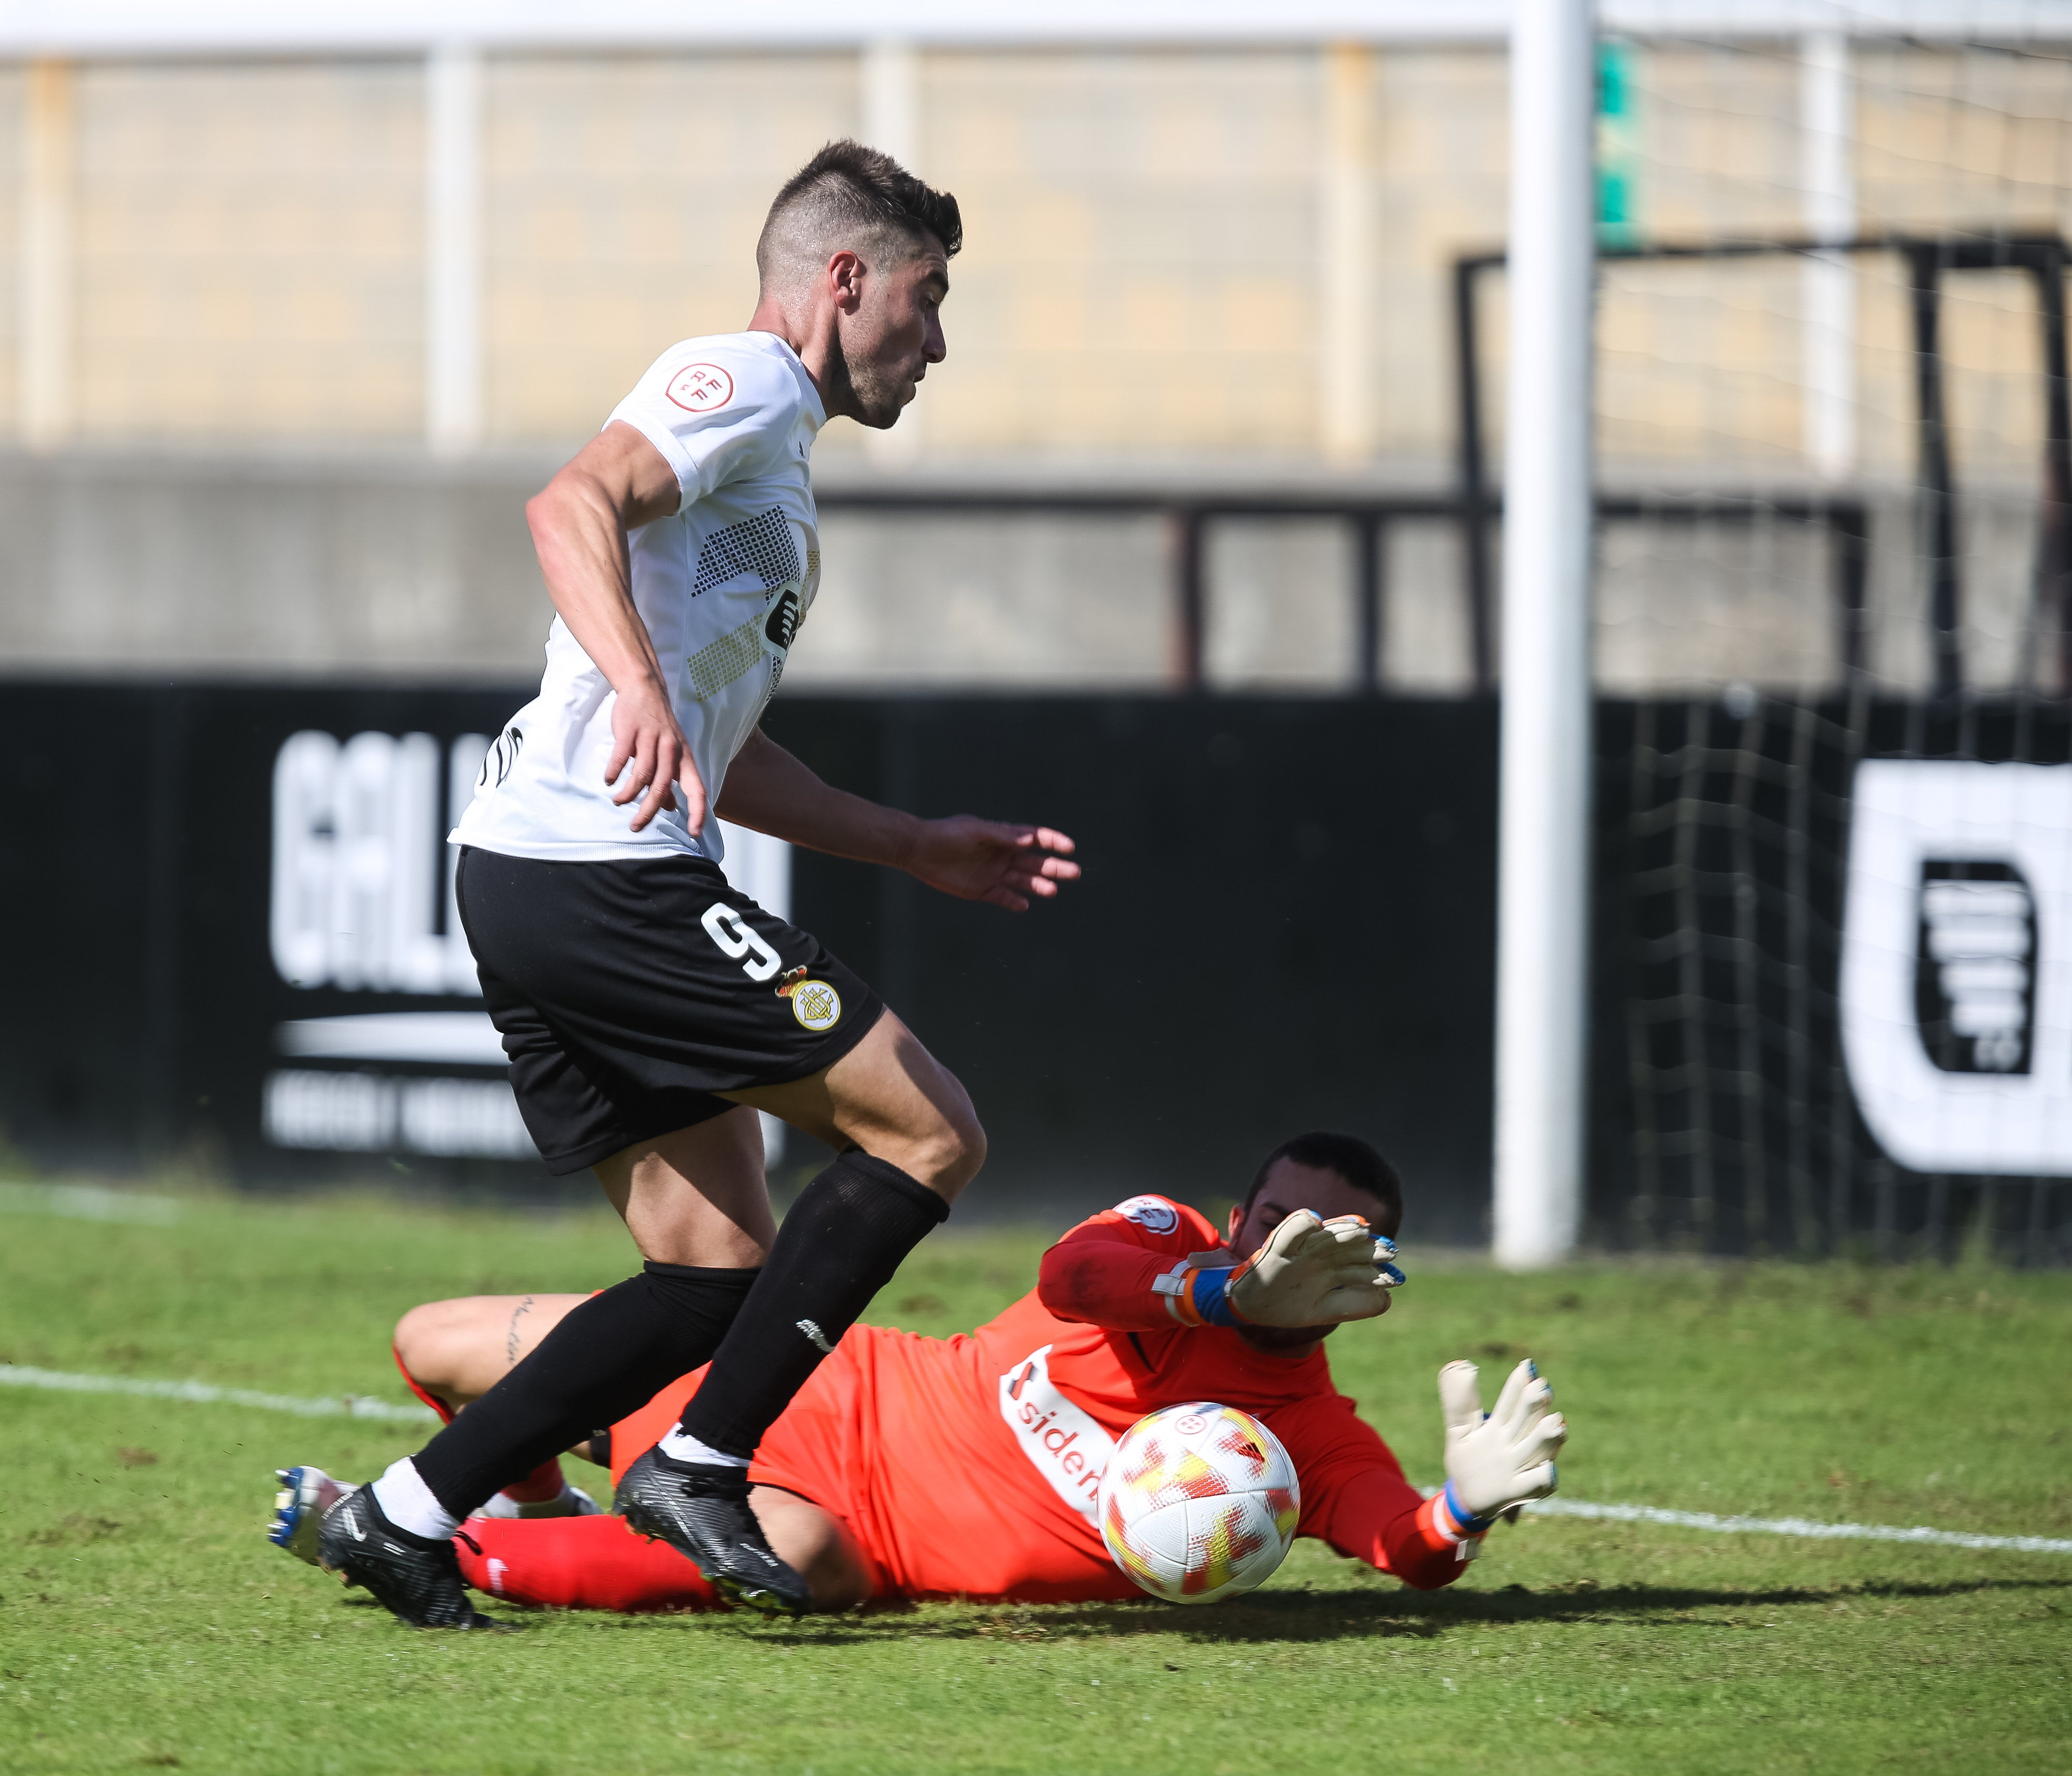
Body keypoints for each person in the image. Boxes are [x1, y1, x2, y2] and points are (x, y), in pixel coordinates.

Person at [310, 140, 1090, 1629]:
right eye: (925, 302)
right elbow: (565, 506)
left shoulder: (774, 456)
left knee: (716, 1265)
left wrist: (913, 841)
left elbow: (722, 751)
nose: (937, 342)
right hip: (597, 876)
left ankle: (406, 1516)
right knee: (933, 1133)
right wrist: (636, 687)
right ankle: (701, 1462)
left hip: (537, 877)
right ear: (843, 281)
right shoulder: (737, 383)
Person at [277, 1134, 1568, 1613]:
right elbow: (1075, 1275)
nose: (1281, 1239)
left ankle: (413, 1539)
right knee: (428, 1342)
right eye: (1270, 1214)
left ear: (1373, 1270)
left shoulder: (1308, 1439)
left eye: (1322, 1233)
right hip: (798, 1381)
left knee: (803, 1564)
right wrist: (1225, 1289)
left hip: (863, 1534)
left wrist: (1459, 1510)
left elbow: (1399, 1544)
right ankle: (534, 1501)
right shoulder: (1172, 1240)